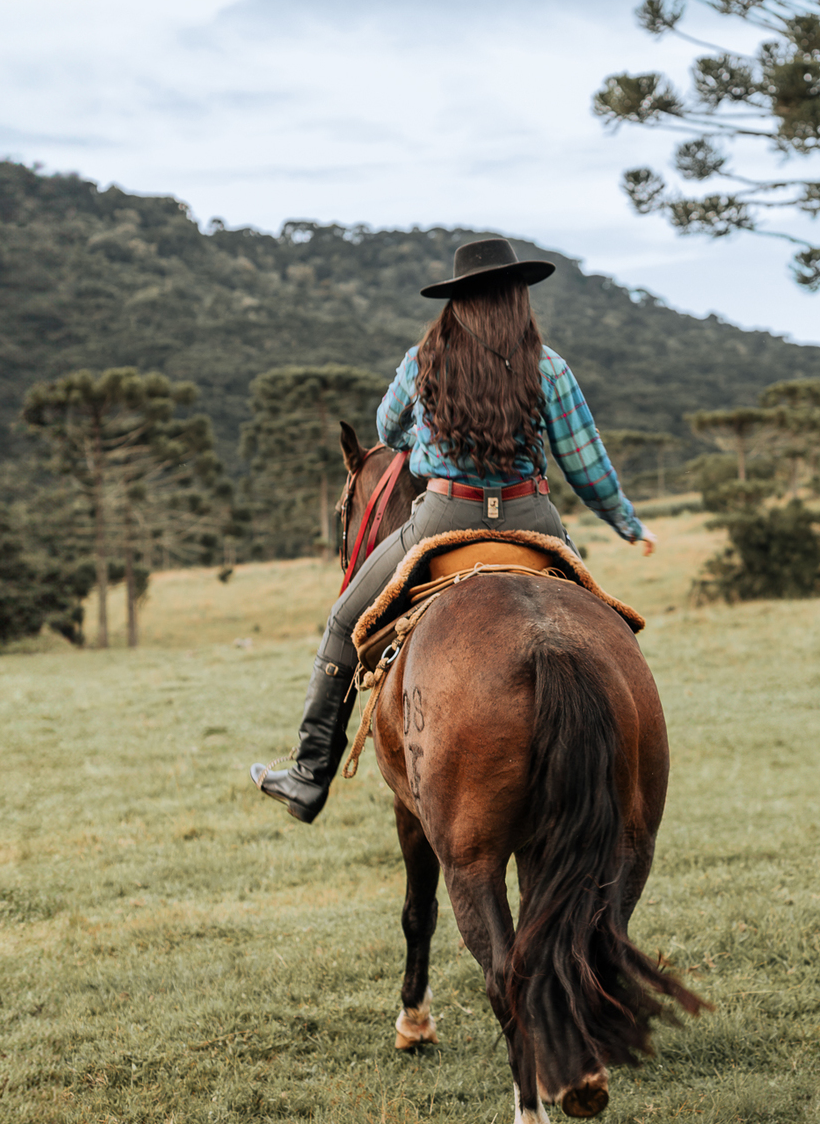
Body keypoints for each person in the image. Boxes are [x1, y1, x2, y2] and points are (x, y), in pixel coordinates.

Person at [252, 236, 655, 823]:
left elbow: (386, 429)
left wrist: (429, 443)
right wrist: (626, 522)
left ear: (456, 301)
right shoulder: (551, 366)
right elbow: (584, 462)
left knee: (344, 622)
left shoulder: (424, 361)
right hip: (532, 517)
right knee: (605, 630)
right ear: (519, 297)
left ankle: (310, 776)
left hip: (444, 518)